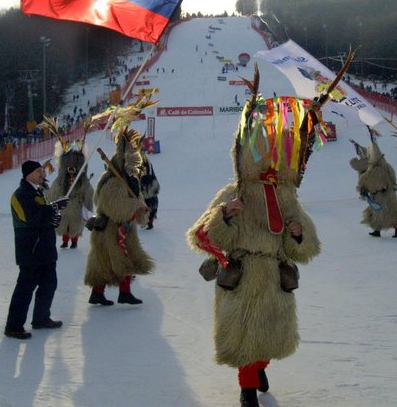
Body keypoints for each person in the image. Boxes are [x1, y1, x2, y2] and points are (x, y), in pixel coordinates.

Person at [187, 93, 322, 407]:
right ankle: (247, 390)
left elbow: (306, 249)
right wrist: (224, 216)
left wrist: (299, 235)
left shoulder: (286, 197)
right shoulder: (233, 192)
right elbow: (200, 236)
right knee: (244, 336)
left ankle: (260, 367)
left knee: (269, 334)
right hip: (243, 277)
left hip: (274, 278)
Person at [84, 127, 154, 306]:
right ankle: (99, 293)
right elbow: (114, 208)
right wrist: (135, 205)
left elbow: (135, 201)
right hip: (110, 230)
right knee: (106, 262)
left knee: (124, 259)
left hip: (125, 230)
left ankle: (123, 292)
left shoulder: (130, 182)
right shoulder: (112, 182)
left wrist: (141, 209)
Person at [4, 160, 68, 339]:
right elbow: (30, 217)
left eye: (42, 171)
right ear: (28, 174)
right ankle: (14, 326)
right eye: (39, 171)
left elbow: (44, 217)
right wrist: (53, 208)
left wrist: (54, 218)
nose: (42, 174)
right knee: (25, 288)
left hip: (45, 248)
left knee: (49, 284)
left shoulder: (39, 192)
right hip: (30, 249)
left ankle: (41, 318)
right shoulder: (20, 194)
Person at [357, 129, 397, 238]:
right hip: (390, 194)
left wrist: (363, 188)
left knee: (378, 212)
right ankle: (393, 229)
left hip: (380, 195)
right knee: (389, 212)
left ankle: (380, 230)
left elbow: (367, 181)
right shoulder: (388, 167)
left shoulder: (375, 170)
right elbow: (392, 178)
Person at [140, 151, 160, 229]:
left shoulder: (145, 161)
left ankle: (149, 221)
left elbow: (148, 173)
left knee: (149, 203)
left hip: (148, 186)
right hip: (144, 186)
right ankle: (145, 220)